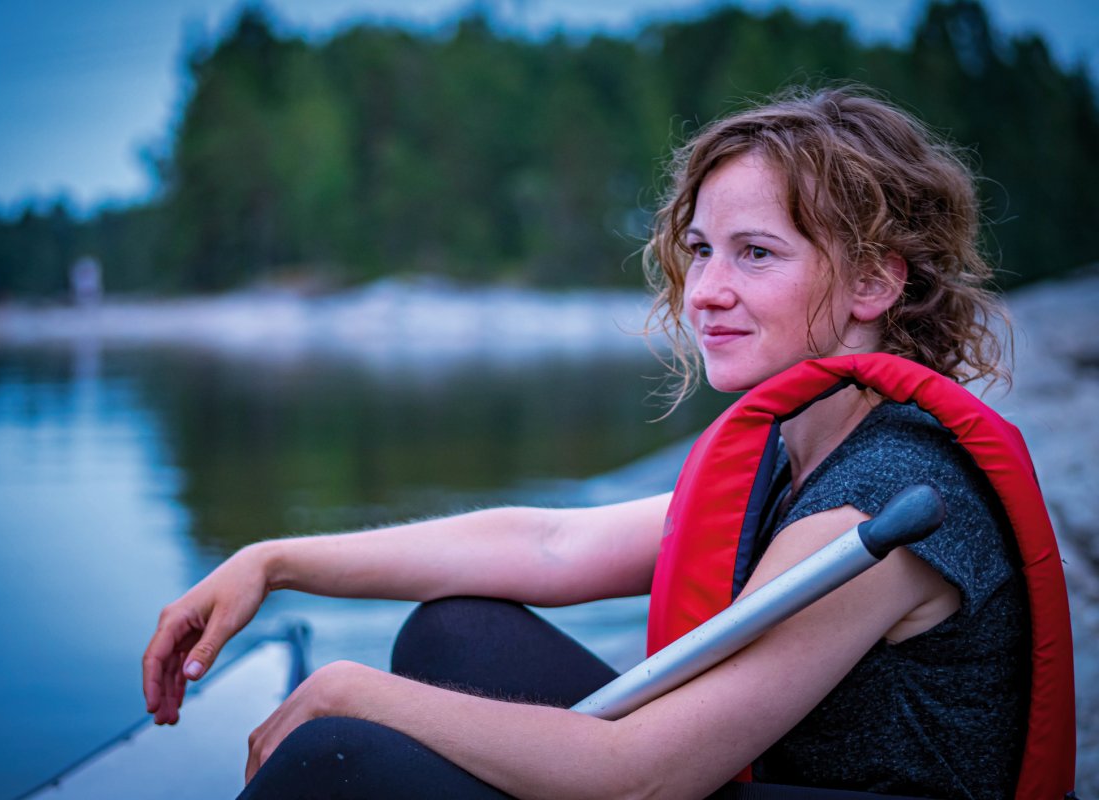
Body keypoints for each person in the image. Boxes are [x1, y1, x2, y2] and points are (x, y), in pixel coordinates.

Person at [142, 86, 1029, 798]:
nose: (706, 291)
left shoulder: (883, 502)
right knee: (459, 634)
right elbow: (550, 544)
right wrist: (273, 561)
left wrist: (352, 693)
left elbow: (641, 779)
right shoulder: (804, 451)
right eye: (701, 249)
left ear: (873, 281)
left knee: (341, 756)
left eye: (755, 253)